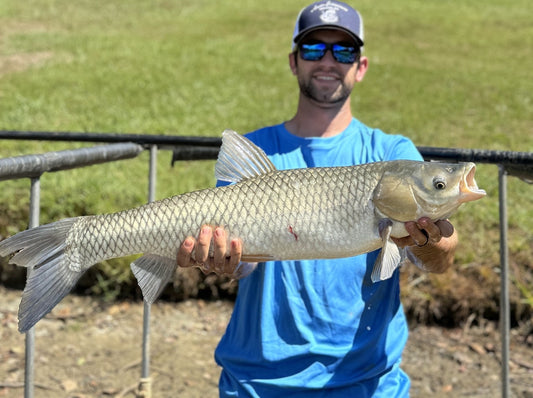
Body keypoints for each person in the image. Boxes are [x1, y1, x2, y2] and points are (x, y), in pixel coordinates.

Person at [177, 1, 458, 396]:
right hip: (258, 383)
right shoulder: (258, 149)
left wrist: (429, 238)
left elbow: (441, 258)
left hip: (367, 383)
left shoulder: (394, 154)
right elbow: (243, 265)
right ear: (294, 62)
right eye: (313, 49)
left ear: (361, 67)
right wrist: (223, 261)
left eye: (343, 51)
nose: (328, 61)